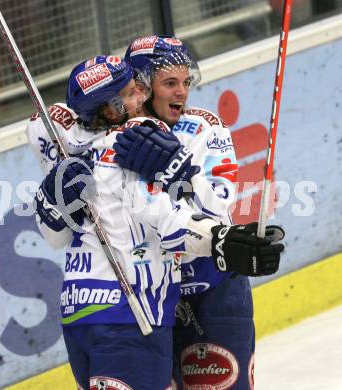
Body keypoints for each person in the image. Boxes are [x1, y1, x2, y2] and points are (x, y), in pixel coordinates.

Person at [26, 55, 284, 389]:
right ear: (110, 109)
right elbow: (169, 223)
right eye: (134, 91)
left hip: (80, 313)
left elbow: (42, 124)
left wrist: (49, 197)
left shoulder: (68, 144)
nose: (142, 96)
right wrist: (225, 241)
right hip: (131, 317)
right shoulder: (134, 141)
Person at [113, 35, 283, 389]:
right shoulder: (119, 136)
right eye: (170, 83)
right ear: (142, 87)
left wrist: (179, 171)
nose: (182, 93)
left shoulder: (205, 126)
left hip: (213, 288)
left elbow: (217, 206)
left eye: (186, 82)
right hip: (153, 299)